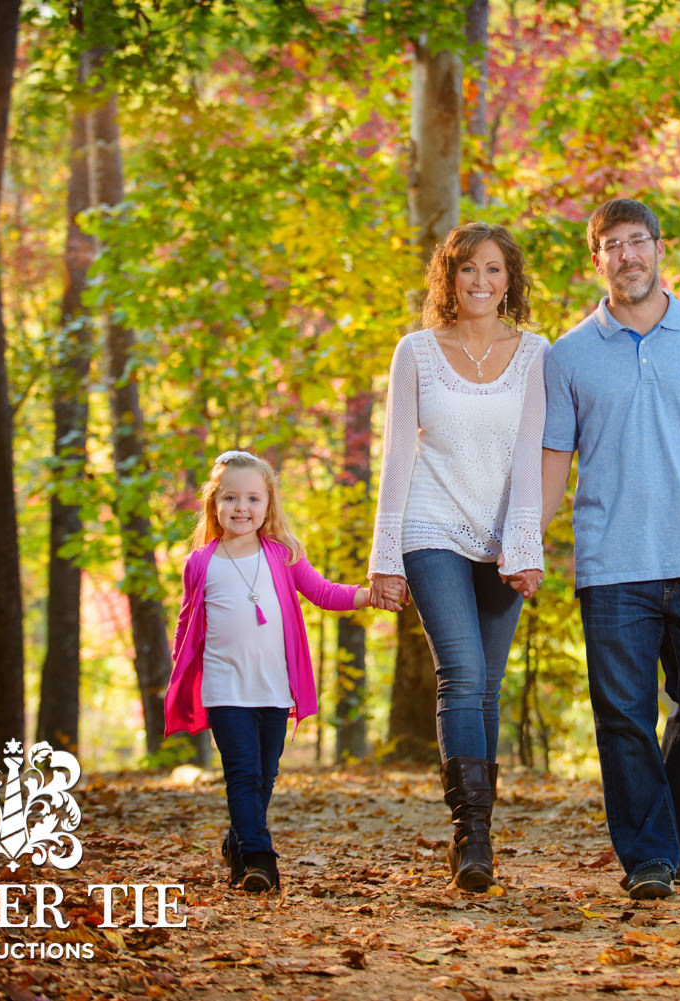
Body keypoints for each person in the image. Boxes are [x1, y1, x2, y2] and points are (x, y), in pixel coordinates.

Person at [542, 198, 680, 900]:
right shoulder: (569, 352)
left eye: (638, 241)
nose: (628, 255)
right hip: (613, 566)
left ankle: (663, 828)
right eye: (613, 244)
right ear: (597, 257)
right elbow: (553, 456)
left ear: (659, 248)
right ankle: (648, 857)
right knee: (623, 716)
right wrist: (528, 539)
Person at [368, 222, 547, 892]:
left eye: (494, 270)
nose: (480, 282)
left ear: (511, 279)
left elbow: (532, 456)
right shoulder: (415, 352)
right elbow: (394, 457)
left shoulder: (535, 354)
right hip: (430, 526)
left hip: (501, 535)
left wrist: (525, 544)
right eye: (467, 269)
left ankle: (481, 832)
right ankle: (471, 831)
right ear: (448, 277)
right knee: (462, 670)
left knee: (487, 685)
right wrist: (385, 556)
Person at [165, 450, 392, 893]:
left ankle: (238, 842)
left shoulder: (283, 556)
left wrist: (369, 596)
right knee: (243, 773)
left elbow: (323, 593)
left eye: (252, 498)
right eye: (230, 498)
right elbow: (187, 622)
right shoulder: (201, 563)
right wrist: (183, 668)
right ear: (214, 504)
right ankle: (260, 859)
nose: (241, 508)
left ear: (268, 505)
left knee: (266, 775)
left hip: (272, 687)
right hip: (224, 686)